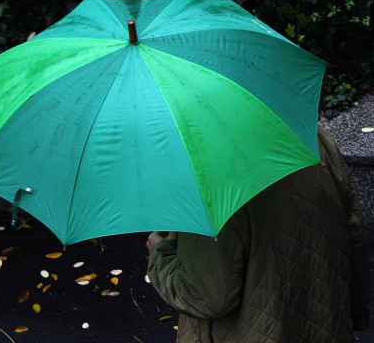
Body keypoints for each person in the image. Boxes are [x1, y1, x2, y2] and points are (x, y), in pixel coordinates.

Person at [146, 127, 371, 342]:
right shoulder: (311, 138)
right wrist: (355, 313)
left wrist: (161, 255)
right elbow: (353, 232)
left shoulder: (210, 176)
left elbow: (208, 298)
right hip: (325, 326)